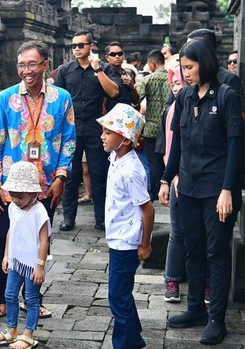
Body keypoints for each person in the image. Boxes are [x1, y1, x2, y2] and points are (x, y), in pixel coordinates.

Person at [159, 38, 245, 345]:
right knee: (193, 250)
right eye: (182, 68)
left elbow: (237, 146)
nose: (185, 73)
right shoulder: (184, 97)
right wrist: (167, 179)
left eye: (190, 67)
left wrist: (228, 190)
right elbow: (178, 143)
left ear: (205, 64)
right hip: (190, 187)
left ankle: (216, 319)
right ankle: (194, 307)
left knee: (216, 253)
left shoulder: (226, 96)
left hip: (216, 189)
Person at [0, 40, 75, 320]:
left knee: (40, 240)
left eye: (32, 64)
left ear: (45, 65)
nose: (27, 70)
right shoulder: (5, 99)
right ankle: (2, 296)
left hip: (45, 185)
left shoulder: (62, 98)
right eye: (22, 64)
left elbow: (69, 141)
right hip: (11, 188)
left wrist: (61, 176)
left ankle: (32, 297)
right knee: (5, 238)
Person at [96, 103, 154, 349]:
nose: (102, 136)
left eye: (109, 132)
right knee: (121, 294)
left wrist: (145, 244)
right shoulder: (115, 158)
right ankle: (134, 337)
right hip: (118, 237)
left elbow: (147, 209)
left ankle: (124, 343)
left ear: (126, 139)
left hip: (127, 241)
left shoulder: (131, 170)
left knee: (117, 296)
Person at [54, 29, 119, 232]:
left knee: (98, 173)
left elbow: (114, 91)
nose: (76, 49)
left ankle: (101, 219)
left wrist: (98, 69)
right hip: (71, 127)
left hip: (94, 125)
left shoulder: (105, 68)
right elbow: (56, 97)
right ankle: (68, 218)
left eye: (80, 45)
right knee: (70, 174)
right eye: (73, 46)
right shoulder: (65, 70)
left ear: (91, 46)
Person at [0, 162, 52, 349]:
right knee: (9, 295)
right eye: (12, 195)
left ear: (33, 193)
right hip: (16, 261)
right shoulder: (13, 207)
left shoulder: (39, 212)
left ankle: (28, 333)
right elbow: (11, 232)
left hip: (32, 264)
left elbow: (44, 241)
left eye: (20, 196)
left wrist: (40, 266)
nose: (15, 200)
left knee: (31, 299)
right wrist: (7, 255)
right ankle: (11, 329)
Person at [160, 65, 188, 303]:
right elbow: (169, 149)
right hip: (179, 176)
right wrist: (171, 179)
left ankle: (205, 282)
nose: (178, 87)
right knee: (177, 232)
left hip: (204, 179)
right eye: (174, 84)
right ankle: (172, 279)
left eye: (180, 81)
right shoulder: (172, 110)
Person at [186, 28, 245, 116]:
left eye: (190, 47)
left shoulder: (229, 80)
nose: (186, 52)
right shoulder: (186, 79)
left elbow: (238, 119)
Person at [137, 50, 170, 201]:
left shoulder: (147, 80)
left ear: (152, 63)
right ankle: (168, 186)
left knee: (153, 162)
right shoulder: (172, 79)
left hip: (151, 127)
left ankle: (156, 190)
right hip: (169, 127)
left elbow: (140, 102)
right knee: (168, 157)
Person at [104, 41, 139, 111]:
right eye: (113, 54)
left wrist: (132, 87)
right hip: (111, 117)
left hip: (126, 116)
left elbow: (135, 101)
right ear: (107, 57)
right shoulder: (105, 75)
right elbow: (102, 103)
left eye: (120, 54)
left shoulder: (127, 74)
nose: (117, 57)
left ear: (123, 55)